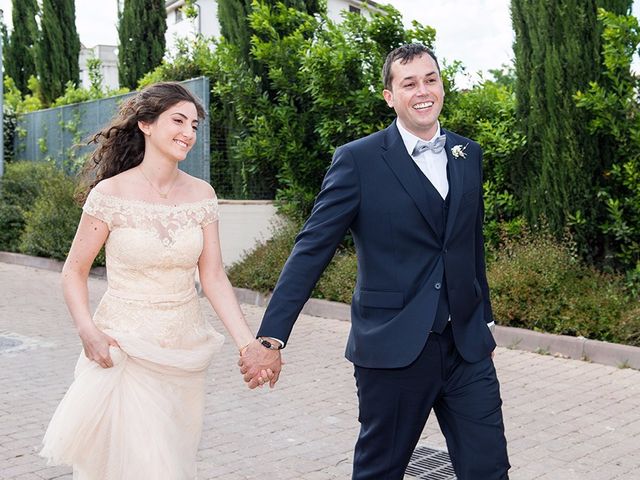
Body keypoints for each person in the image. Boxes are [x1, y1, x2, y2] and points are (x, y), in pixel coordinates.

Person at [239, 43, 510, 479]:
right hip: (393, 350)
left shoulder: (467, 154)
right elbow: (312, 248)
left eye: (431, 79)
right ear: (389, 96)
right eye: (409, 83)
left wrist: (486, 324)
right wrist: (272, 337)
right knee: (380, 472)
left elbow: (469, 246)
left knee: (490, 469)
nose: (423, 91)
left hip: (467, 348)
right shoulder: (359, 160)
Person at [40, 82, 272, 479]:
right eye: (178, 121)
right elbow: (73, 271)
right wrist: (87, 330)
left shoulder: (202, 195)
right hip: (122, 350)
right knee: (137, 466)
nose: (189, 133)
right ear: (146, 124)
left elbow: (213, 276)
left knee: (172, 461)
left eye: (195, 125)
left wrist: (247, 343)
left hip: (183, 352)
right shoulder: (109, 194)